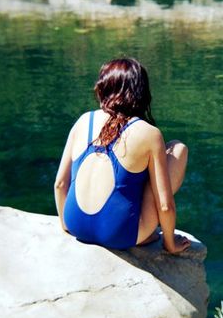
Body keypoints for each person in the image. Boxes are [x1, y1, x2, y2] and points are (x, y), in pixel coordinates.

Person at [54, 57, 191, 254]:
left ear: (103, 88)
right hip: (118, 235)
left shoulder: (84, 120)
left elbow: (60, 184)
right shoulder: (148, 133)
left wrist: (65, 224)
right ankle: (144, 234)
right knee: (178, 149)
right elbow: (165, 204)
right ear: (141, 92)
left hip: (75, 225)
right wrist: (170, 244)